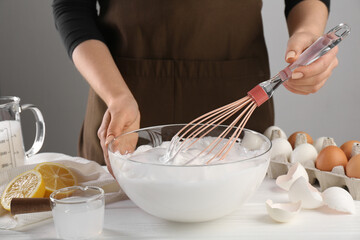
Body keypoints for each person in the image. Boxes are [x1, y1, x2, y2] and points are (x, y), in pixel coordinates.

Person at [53, 0, 336, 175]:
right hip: (122, 103)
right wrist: (116, 95)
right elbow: (72, 5)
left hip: (236, 106)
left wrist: (307, 33)